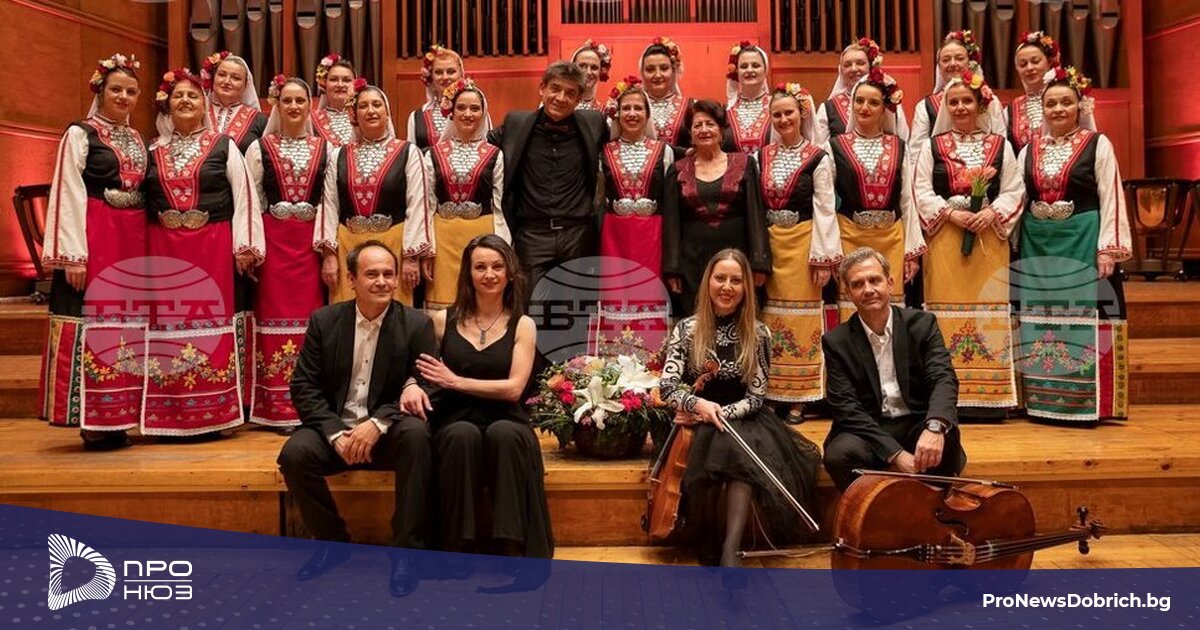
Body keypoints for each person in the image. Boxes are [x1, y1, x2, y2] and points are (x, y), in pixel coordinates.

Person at [278, 240, 438, 594]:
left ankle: (406, 552)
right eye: (372, 274)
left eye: (388, 274)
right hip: (337, 430)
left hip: (387, 432)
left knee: (417, 436)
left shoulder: (416, 324)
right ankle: (332, 543)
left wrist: (378, 423)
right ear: (351, 279)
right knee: (294, 454)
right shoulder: (325, 321)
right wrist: (335, 433)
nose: (382, 282)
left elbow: (430, 384)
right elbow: (304, 385)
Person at [658, 249, 821, 567]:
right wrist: (697, 405)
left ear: (746, 286)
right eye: (720, 278)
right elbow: (668, 387)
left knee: (736, 452)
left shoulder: (759, 334)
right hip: (694, 418)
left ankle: (730, 548)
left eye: (736, 280)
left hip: (742, 417)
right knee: (713, 446)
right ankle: (707, 536)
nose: (727, 287)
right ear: (708, 282)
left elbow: (756, 397)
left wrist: (721, 414)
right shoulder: (686, 329)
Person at [142, 67, 263, 436]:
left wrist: (245, 246)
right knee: (169, 326)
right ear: (167, 104)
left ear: (203, 103)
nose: (185, 101)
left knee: (210, 323)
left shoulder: (223, 145)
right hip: (164, 249)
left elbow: (245, 196)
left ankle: (215, 414)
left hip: (211, 246)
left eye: (193, 95)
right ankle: (170, 416)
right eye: (178, 95)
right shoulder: (152, 150)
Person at [415, 234, 553, 558]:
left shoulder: (523, 324)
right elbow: (424, 372)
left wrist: (455, 380)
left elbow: (514, 389)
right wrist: (414, 385)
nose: (489, 274)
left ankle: (511, 547)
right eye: (480, 267)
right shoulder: (441, 321)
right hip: (456, 417)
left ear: (510, 273)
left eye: (497, 266)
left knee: (504, 435)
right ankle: (456, 548)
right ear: (469, 272)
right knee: (460, 437)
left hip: (507, 416)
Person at [40, 53, 147, 448]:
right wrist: (73, 256)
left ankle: (118, 417)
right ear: (99, 92)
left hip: (131, 241)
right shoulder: (80, 134)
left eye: (131, 91)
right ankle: (91, 419)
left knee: (126, 328)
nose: (123, 97)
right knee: (95, 325)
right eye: (116, 89)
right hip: (97, 235)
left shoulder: (138, 138)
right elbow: (68, 191)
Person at [1015, 66, 1131, 423]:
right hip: (1037, 244)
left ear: (1080, 106)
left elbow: (1110, 195)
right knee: (1038, 319)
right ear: (1042, 110)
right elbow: (1018, 200)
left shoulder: (1098, 144)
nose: (1058, 109)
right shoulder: (1028, 150)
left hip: (1081, 239)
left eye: (1066, 102)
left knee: (1081, 315)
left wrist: (1107, 247)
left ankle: (1083, 403)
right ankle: (1041, 400)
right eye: (1051, 104)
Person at [912, 68, 1024, 417]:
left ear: (980, 105)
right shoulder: (932, 146)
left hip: (988, 239)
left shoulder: (1001, 146)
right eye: (954, 101)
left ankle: (989, 399)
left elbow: (1014, 189)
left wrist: (991, 213)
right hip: (946, 238)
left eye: (967, 101)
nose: (960, 107)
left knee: (988, 307)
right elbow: (920, 190)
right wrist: (950, 214)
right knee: (943, 311)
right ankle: (946, 394)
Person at [821, 247, 965, 492]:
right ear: (848, 292)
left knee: (945, 437)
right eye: (858, 284)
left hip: (916, 421)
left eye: (874, 280)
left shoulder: (922, 324)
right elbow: (846, 408)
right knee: (839, 455)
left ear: (889, 282)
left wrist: (935, 426)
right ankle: (875, 511)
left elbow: (943, 378)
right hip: (869, 427)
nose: (868, 289)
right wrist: (896, 454)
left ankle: (932, 509)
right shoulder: (836, 341)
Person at [244, 76, 334, 428]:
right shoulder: (259, 148)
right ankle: (275, 408)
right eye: (287, 101)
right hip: (273, 244)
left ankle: (306, 404)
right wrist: (252, 246)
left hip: (309, 246)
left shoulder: (326, 149)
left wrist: (327, 248)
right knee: (271, 317)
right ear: (276, 106)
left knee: (312, 320)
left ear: (310, 105)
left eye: (300, 100)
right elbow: (252, 200)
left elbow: (329, 201)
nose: (294, 106)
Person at [486, 61, 608, 300]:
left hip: (577, 235)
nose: (561, 98)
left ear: (579, 99)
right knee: (530, 310)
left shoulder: (594, 123)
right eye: (555, 89)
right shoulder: (516, 124)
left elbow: (625, 144)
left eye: (570, 93)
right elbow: (480, 150)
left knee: (575, 312)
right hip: (532, 235)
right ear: (542, 88)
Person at [756, 83, 839, 419]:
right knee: (770, 317)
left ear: (801, 114)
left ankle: (800, 395)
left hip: (804, 242)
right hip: (772, 245)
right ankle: (772, 390)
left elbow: (825, 208)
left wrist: (822, 257)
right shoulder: (761, 156)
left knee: (803, 319)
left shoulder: (818, 157)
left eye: (788, 112)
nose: (783, 119)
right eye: (776, 114)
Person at [320, 81, 432, 305]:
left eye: (376, 105)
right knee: (347, 313)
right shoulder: (338, 155)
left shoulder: (408, 152)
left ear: (387, 112)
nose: (370, 111)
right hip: (347, 246)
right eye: (363, 106)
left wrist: (411, 257)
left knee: (392, 313)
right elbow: (329, 206)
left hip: (393, 246)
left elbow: (418, 205)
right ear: (354, 115)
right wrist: (329, 255)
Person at [825, 70, 924, 321]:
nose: (864, 107)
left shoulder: (899, 146)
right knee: (853, 308)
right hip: (849, 236)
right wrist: (831, 250)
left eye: (873, 102)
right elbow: (826, 203)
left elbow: (907, 200)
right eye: (859, 101)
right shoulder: (835, 146)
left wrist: (911, 252)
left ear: (884, 109)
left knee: (889, 309)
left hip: (892, 239)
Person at [663, 100, 770, 317]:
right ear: (690, 134)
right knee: (696, 320)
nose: (704, 130)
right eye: (697, 125)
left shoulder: (745, 164)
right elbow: (671, 223)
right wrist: (672, 267)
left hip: (737, 259)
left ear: (721, 131)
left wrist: (760, 262)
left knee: (738, 318)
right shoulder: (677, 170)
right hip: (692, 262)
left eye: (710, 124)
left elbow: (756, 215)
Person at [596, 77, 673, 356]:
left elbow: (669, 200)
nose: (631, 114)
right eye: (626, 108)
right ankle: (613, 365)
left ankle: (652, 363)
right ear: (617, 114)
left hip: (652, 237)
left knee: (649, 295)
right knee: (616, 297)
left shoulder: (664, 151)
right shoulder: (603, 152)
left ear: (647, 113)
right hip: (614, 236)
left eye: (638, 108)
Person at [423, 78, 511, 310]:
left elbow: (499, 205)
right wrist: (428, 247)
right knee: (442, 309)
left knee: (479, 304)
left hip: (481, 235)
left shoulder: (495, 154)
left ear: (483, 113)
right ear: (451, 112)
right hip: (443, 238)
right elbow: (428, 205)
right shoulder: (432, 154)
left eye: (474, 108)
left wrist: (502, 244)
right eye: (461, 107)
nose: (468, 114)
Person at [909, 31, 1004, 161]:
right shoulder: (925, 106)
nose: (953, 64)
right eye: (946, 60)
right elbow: (916, 154)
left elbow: (1001, 143)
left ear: (970, 63)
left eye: (959, 58)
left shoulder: (990, 100)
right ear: (939, 67)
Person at [815, 37, 911, 145]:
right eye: (847, 65)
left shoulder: (888, 101)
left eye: (860, 63)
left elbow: (903, 141)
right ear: (841, 71)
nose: (854, 69)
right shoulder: (828, 108)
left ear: (871, 67)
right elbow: (820, 149)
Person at [1005, 31, 1062, 154]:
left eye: (1035, 61)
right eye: (1023, 64)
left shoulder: (1065, 99)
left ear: (1049, 63)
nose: (1029, 68)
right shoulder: (1012, 109)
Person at [202, 51, 268, 153]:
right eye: (222, 75)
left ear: (246, 85)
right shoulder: (200, 113)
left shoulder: (259, 120)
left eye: (235, 78)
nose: (226, 81)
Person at [407, 45, 470, 150]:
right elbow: (411, 155)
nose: (445, 77)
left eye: (451, 72)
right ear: (431, 77)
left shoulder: (475, 110)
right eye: (439, 72)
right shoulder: (417, 117)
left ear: (461, 74)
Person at [640, 38, 693, 157]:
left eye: (664, 68)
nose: (657, 75)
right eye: (650, 69)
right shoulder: (633, 108)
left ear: (673, 70)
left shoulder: (690, 107)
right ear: (642, 73)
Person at [724, 41, 772, 153]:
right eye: (744, 66)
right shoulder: (726, 111)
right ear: (737, 71)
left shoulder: (777, 106)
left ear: (765, 70)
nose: (749, 70)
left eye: (755, 65)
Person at [312, 53, 357, 147]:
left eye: (346, 80)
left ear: (354, 84)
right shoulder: (312, 120)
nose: (340, 85)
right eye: (333, 79)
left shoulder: (363, 116)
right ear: (324, 84)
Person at [571, 39, 612, 112]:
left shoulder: (602, 111)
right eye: (582, 66)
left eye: (594, 68)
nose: (588, 72)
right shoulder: (562, 105)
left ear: (600, 71)